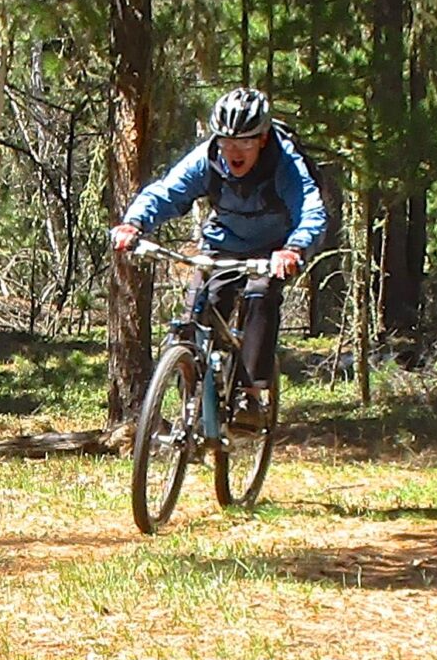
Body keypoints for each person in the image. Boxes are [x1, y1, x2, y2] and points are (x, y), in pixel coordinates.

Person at [110, 87, 327, 422]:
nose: (233, 152)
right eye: (226, 142)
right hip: (222, 245)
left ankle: (250, 397)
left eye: (244, 143)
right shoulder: (207, 159)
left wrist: (293, 249)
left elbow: (311, 210)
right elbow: (167, 191)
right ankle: (196, 402)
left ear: (263, 139)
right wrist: (134, 223)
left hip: (272, 250)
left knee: (260, 294)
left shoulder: (284, 163)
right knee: (200, 305)